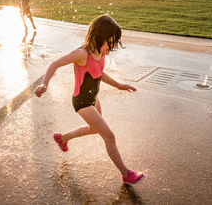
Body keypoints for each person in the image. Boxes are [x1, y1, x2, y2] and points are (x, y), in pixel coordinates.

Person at [34, 15, 145, 185]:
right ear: (99, 36)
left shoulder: (101, 53)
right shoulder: (82, 54)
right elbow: (54, 64)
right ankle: (125, 174)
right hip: (82, 102)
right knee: (109, 136)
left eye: (114, 42)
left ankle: (62, 138)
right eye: (110, 42)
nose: (113, 46)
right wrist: (44, 84)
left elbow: (99, 74)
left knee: (93, 129)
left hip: (93, 98)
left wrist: (118, 85)